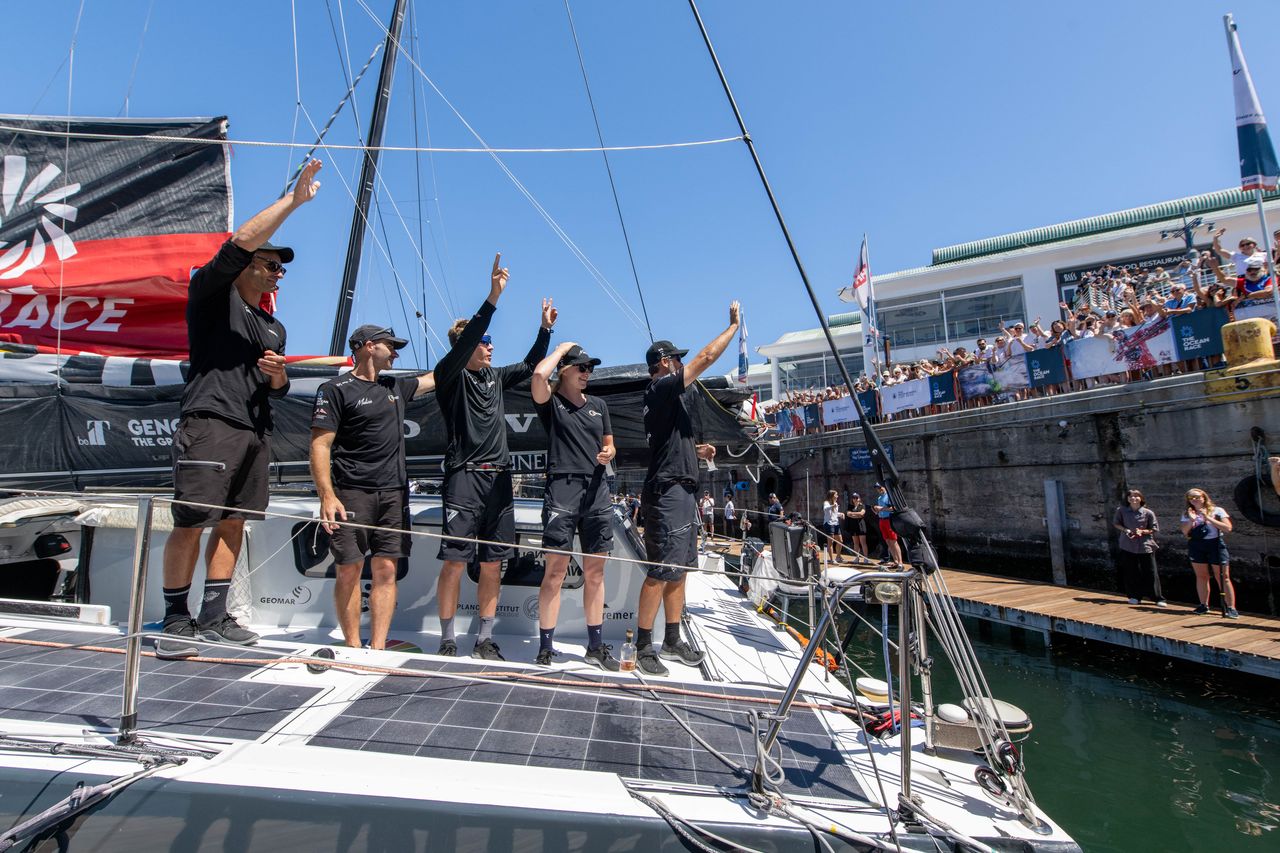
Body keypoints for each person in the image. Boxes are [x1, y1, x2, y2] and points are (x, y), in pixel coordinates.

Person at [158, 159, 323, 659]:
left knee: (234, 522)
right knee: (191, 520)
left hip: (255, 432)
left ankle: (213, 615)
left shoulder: (274, 327)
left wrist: (279, 379)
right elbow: (237, 243)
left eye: (282, 268)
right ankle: (174, 617)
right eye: (272, 263)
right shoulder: (212, 295)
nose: (279, 272)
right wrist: (293, 203)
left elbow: (275, 387)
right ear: (250, 265)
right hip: (210, 422)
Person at [433, 253, 555, 660]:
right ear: (466, 346)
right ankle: (448, 639)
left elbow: (531, 364)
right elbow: (473, 334)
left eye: (489, 342)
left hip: (499, 478)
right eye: (484, 342)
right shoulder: (449, 374)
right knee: (453, 562)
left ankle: (485, 638)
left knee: (492, 564)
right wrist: (493, 296)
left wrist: (544, 330)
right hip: (464, 476)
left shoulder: (495, 377)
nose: (490, 346)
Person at [310, 325, 435, 649]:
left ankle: (377, 647)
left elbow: (440, 376)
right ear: (368, 346)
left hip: (394, 494)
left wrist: (487, 309)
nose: (395, 353)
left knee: (385, 570)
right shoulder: (335, 389)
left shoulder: (395, 385)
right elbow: (320, 445)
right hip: (352, 492)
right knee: (349, 569)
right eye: (389, 346)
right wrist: (327, 495)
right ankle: (353, 646)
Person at [634, 302, 741, 676]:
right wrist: (732, 327)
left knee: (679, 570)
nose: (680, 363)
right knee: (661, 569)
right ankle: (643, 643)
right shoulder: (661, 388)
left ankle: (673, 638)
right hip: (667, 492)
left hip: (680, 488)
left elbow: (665, 444)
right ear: (663, 363)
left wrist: (696, 450)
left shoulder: (664, 400)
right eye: (675, 359)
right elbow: (707, 357)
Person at [530, 341, 618, 670]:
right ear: (565, 370)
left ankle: (595, 646)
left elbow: (610, 444)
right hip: (562, 489)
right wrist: (562, 347)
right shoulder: (551, 403)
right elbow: (539, 376)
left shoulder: (599, 405)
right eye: (582, 367)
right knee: (554, 572)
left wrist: (609, 453)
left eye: (590, 368)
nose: (588, 373)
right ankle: (545, 647)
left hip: (597, 490)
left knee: (595, 573)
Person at [1181, 488, 1238, 619]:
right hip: (1197, 544)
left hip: (1215, 543)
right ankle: (1203, 605)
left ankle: (1231, 607)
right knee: (1201, 576)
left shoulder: (1217, 510)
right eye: (1191, 498)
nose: (1194, 500)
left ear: (1203, 497)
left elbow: (1228, 528)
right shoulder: (1187, 513)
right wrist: (1191, 520)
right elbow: (1184, 532)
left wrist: (1208, 518)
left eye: (1197, 497)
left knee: (1223, 577)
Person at [1111, 489, 1164, 607]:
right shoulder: (1121, 511)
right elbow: (1116, 523)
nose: (1133, 498)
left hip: (1145, 545)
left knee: (1150, 572)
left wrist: (1143, 531)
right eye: (1130, 496)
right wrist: (1126, 530)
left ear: (1141, 498)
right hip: (1128, 545)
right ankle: (1134, 596)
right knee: (1131, 571)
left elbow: (1154, 528)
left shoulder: (1148, 512)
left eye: (1136, 496)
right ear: (1127, 499)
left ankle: (1157, 598)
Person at [874, 483, 904, 566]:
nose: (879, 489)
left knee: (894, 541)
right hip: (882, 520)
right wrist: (877, 510)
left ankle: (900, 561)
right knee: (888, 541)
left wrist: (881, 508)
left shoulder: (889, 496)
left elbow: (894, 508)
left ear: (884, 487)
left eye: (880, 487)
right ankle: (895, 561)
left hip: (889, 520)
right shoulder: (879, 498)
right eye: (877, 488)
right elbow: (881, 509)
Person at [844, 491, 868, 559]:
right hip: (853, 526)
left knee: (863, 542)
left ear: (859, 498)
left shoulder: (862, 506)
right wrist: (856, 515)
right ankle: (857, 557)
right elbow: (848, 514)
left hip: (861, 526)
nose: (855, 499)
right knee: (855, 543)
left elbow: (862, 514)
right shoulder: (850, 506)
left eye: (856, 498)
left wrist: (852, 514)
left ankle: (866, 558)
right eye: (854, 498)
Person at [821, 489, 842, 563]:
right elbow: (825, 509)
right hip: (829, 523)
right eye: (836, 495)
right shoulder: (826, 502)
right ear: (832, 495)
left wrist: (841, 514)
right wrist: (833, 505)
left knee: (840, 541)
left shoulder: (835, 503)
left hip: (836, 523)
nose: (837, 496)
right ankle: (831, 559)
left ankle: (838, 557)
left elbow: (834, 514)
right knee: (831, 542)